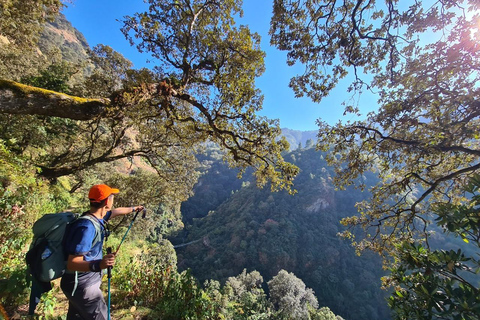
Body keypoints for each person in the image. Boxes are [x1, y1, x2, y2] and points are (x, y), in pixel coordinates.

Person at [61, 184, 144, 320]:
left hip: (80, 285)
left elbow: (116, 212)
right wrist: (99, 264)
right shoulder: (87, 227)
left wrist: (134, 209)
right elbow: (72, 263)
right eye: (112, 197)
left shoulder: (95, 218)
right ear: (107, 202)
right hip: (83, 286)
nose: (113, 200)